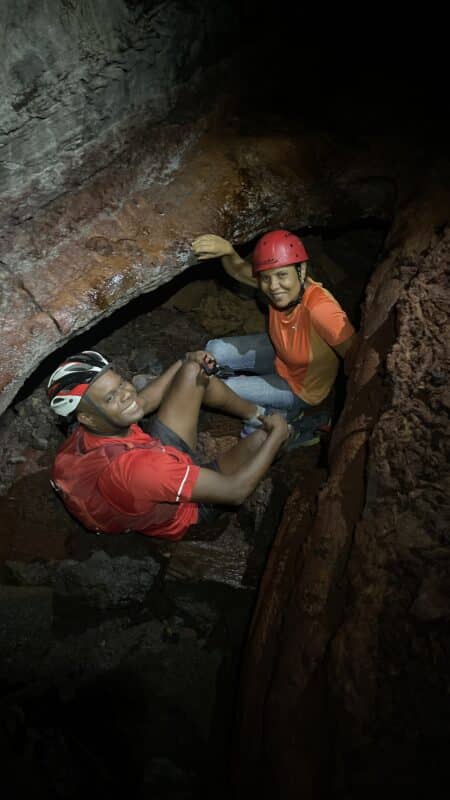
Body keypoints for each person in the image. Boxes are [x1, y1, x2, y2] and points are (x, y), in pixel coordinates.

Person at [47, 349, 290, 541]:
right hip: (187, 509)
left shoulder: (90, 428)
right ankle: (280, 430)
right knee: (268, 438)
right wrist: (278, 434)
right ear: (87, 418)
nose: (127, 393)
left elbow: (144, 400)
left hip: (157, 457)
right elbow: (235, 492)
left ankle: (255, 414)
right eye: (111, 397)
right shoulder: (140, 471)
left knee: (194, 371)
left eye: (121, 383)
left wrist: (185, 360)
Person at [191, 230, 357, 446]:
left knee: (224, 393)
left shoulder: (321, 310)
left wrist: (350, 407)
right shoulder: (275, 288)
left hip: (299, 387)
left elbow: (356, 356)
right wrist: (228, 252)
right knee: (215, 349)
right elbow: (241, 271)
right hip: (280, 353)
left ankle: (290, 427)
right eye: (266, 278)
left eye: (282, 275)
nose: (274, 287)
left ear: (301, 269)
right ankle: (270, 406)